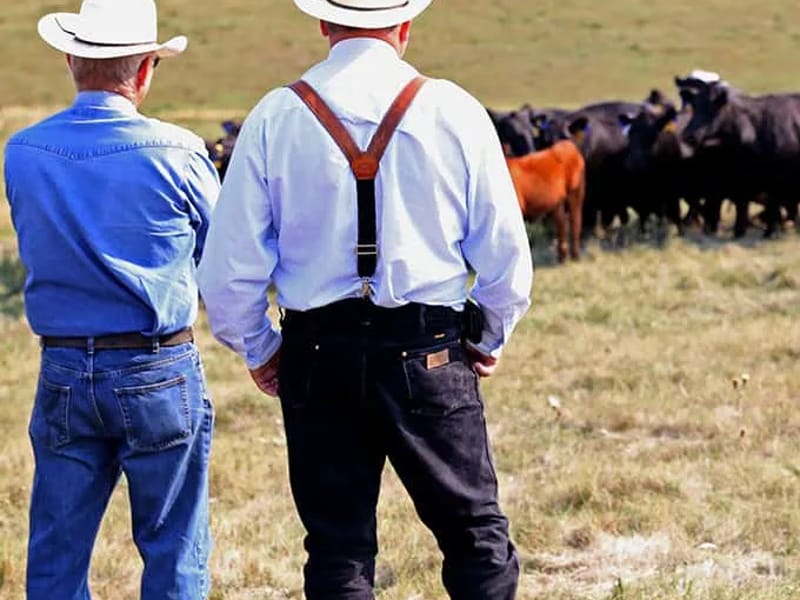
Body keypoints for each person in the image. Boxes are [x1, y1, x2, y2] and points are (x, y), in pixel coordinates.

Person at [197, 0, 533, 597]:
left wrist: (261, 348)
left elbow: (227, 272)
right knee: (473, 534)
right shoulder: (453, 108)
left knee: (338, 549)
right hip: (428, 347)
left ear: (324, 25)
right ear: (404, 27)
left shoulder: (276, 115)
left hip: (317, 348)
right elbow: (506, 254)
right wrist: (487, 336)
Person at [3, 0, 220, 597]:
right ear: (147, 69)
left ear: (72, 58)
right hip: (156, 364)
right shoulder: (178, 150)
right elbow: (223, 255)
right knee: (173, 548)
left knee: (56, 552)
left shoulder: (22, 150)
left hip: (66, 364)